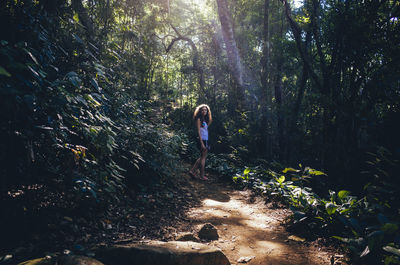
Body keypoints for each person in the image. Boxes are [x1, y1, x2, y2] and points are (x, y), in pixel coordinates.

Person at [189, 104, 212, 180]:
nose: (204, 111)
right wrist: (202, 143)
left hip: (206, 139)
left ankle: (192, 171)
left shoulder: (204, 119)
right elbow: (198, 131)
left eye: (205, 110)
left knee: (202, 157)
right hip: (202, 140)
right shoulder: (198, 119)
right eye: (202, 110)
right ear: (199, 111)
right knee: (203, 158)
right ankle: (202, 176)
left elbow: (206, 128)